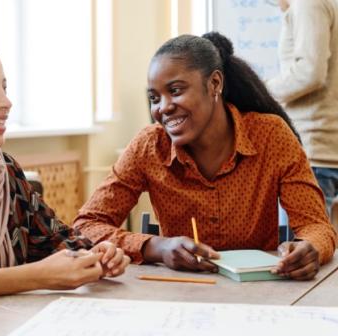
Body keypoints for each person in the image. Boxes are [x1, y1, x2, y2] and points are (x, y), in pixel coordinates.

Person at [74, 32, 336, 281]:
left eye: (175, 91)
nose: (162, 108)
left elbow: (317, 226)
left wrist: (310, 247)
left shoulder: (271, 136)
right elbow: (86, 226)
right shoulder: (149, 146)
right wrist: (156, 247)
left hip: (259, 293)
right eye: (154, 98)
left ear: (214, 84)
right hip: (181, 295)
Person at [0, 38, 130, 303]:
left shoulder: (3, 170)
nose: (5, 102)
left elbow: (55, 239)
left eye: (4, 87)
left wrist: (96, 253)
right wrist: (35, 277)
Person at [267, 0, 338, 211]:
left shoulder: (309, 4)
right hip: (324, 151)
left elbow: (309, 73)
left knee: (306, 243)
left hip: (314, 150)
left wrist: (261, 91)